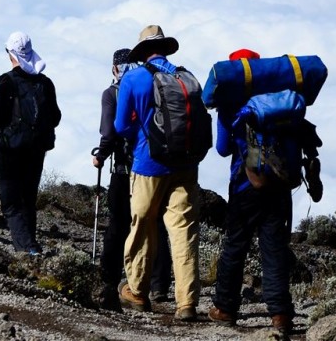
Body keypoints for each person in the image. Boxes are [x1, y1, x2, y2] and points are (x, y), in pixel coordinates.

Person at [207, 49, 300, 334]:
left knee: (236, 245)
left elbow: (223, 149)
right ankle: (280, 315)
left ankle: (225, 308)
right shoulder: (280, 98)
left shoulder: (231, 101)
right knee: (274, 248)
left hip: (246, 185)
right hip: (279, 185)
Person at [114, 25, 201, 321]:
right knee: (183, 231)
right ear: (165, 48)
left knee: (143, 224)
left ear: (141, 51)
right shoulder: (186, 77)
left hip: (147, 164)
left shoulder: (133, 78)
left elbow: (120, 126)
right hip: (186, 165)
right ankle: (186, 303)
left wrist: (141, 133)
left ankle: (137, 292)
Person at [92, 48, 173, 311]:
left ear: (115, 67)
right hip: (154, 164)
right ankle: (159, 284)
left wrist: (101, 155)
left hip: (125, 169)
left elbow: (110, 130)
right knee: (154, 222)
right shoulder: (150, 83)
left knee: (118, 223)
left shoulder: (112, 93)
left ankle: (110, 277)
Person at [0, 32, 61, 254]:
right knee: (28, 197)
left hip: (11, 148)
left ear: (9, 53)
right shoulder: (45, 82)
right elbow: (56, 117)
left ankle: (26, 247)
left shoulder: (4, 82)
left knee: (11, 202)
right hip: (37, 147)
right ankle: (31, 244)